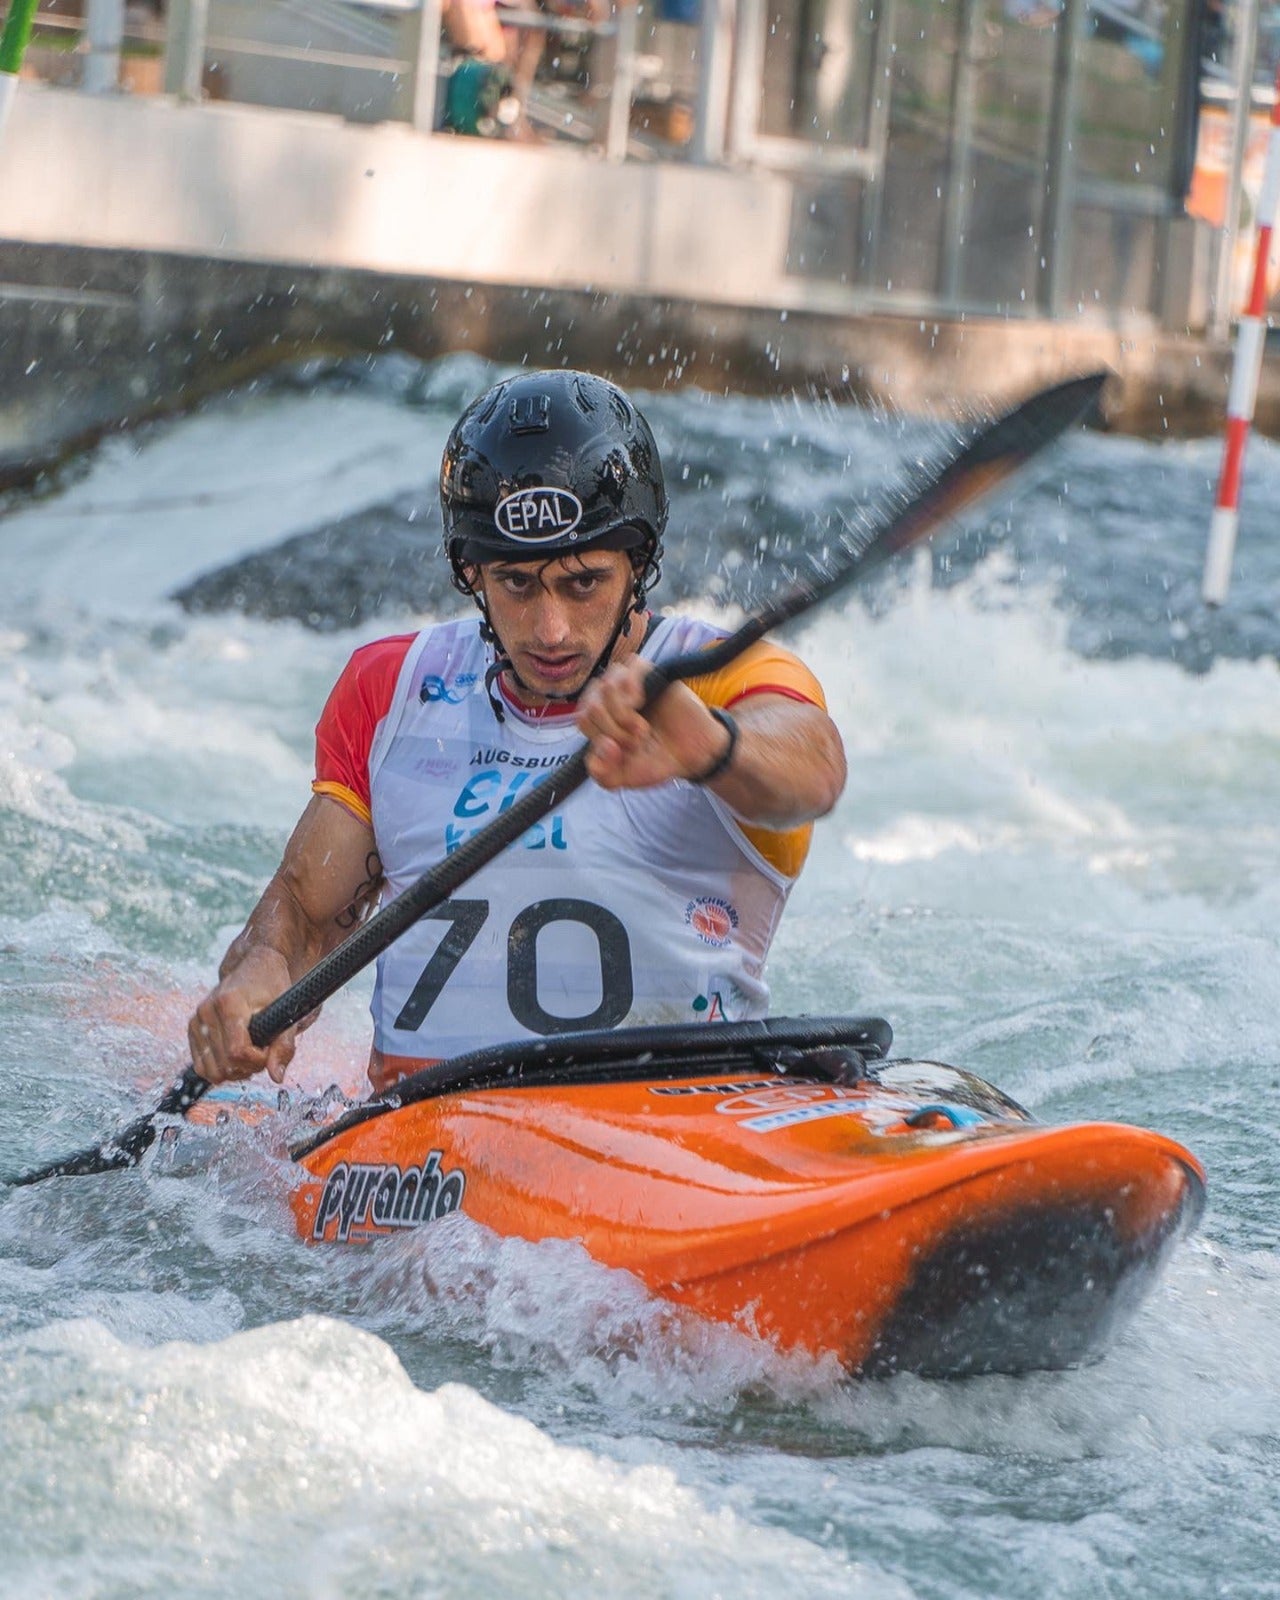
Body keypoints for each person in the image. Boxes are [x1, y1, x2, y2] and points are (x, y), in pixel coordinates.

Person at [188, 369, 847, 1094]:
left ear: (640, 563)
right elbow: (305, 921)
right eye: (517, 585)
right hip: (426, 1140)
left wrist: (713, 748)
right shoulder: (392, 688)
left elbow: (813, 771)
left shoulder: (722, 675)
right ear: (471, 572)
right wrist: (260, 972)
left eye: (584, 582)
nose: (550, 628)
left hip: (674, 1118)